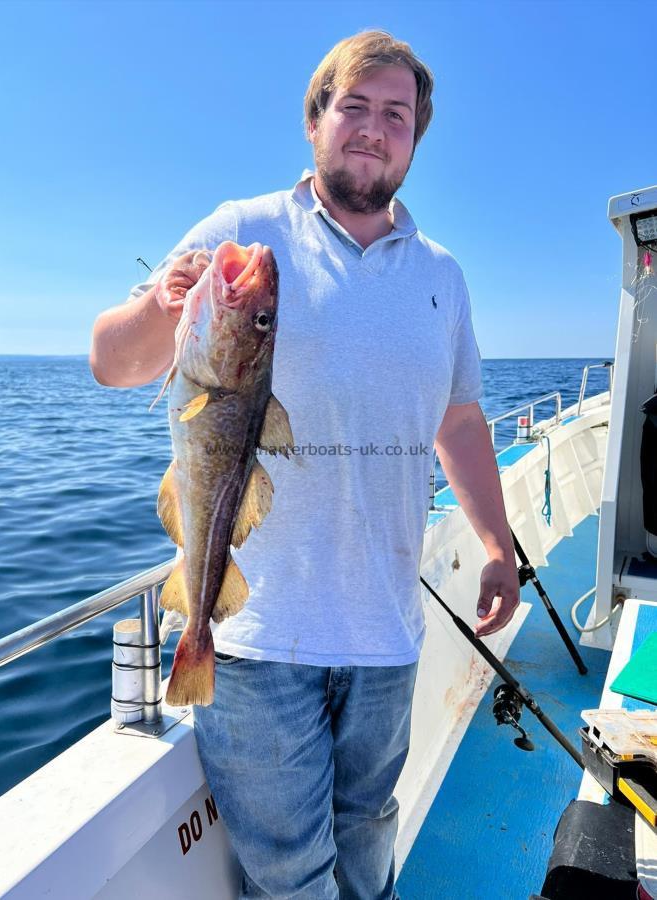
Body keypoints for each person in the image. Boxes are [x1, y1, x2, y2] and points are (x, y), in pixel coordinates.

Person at [90, 29, 520, 900]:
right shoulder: (239, 231)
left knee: (366, 846)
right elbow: (114, 361)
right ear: (315, 121)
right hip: (253, 644)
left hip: (388, 635)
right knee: (289, 880)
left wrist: (497, 543)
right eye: (352, 107)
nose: (372, 128)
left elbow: (462, 419)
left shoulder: (442, 275)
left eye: (394, 115)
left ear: (414, 138)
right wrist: (167, 308)